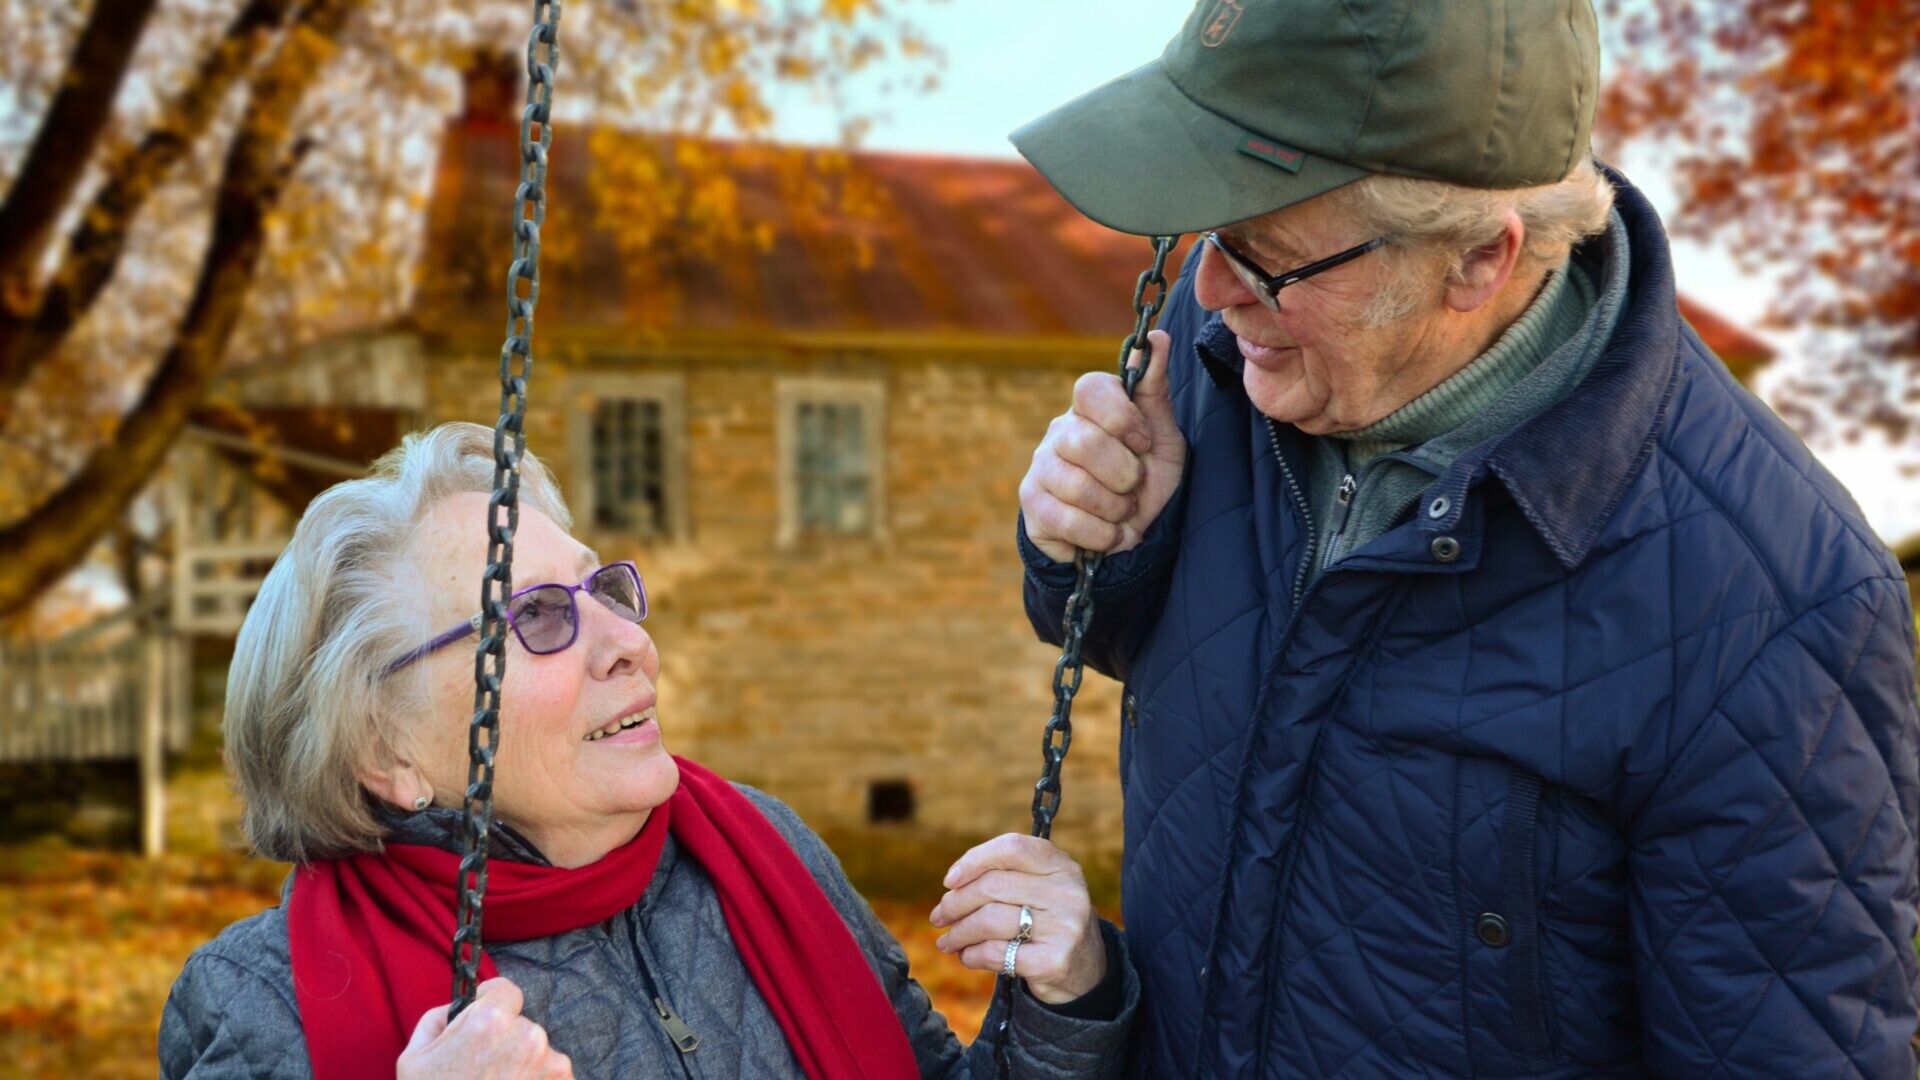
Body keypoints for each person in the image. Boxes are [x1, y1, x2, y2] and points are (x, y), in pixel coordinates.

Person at [1011, 1, 1920, 1077]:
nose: (1211, 293)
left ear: (1478, 262)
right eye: (1210, 231)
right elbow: (1162, 657)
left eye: (1266, 256)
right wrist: (1094, 547)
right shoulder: (1228, 358)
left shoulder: (1775, 606)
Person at [160, 422, 1136, 1079]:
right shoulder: (260, 1004)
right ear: (386, 751)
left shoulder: (762, 849)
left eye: (604, 591)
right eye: (537, 617)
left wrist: (1064, 1001)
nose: (629, 641)